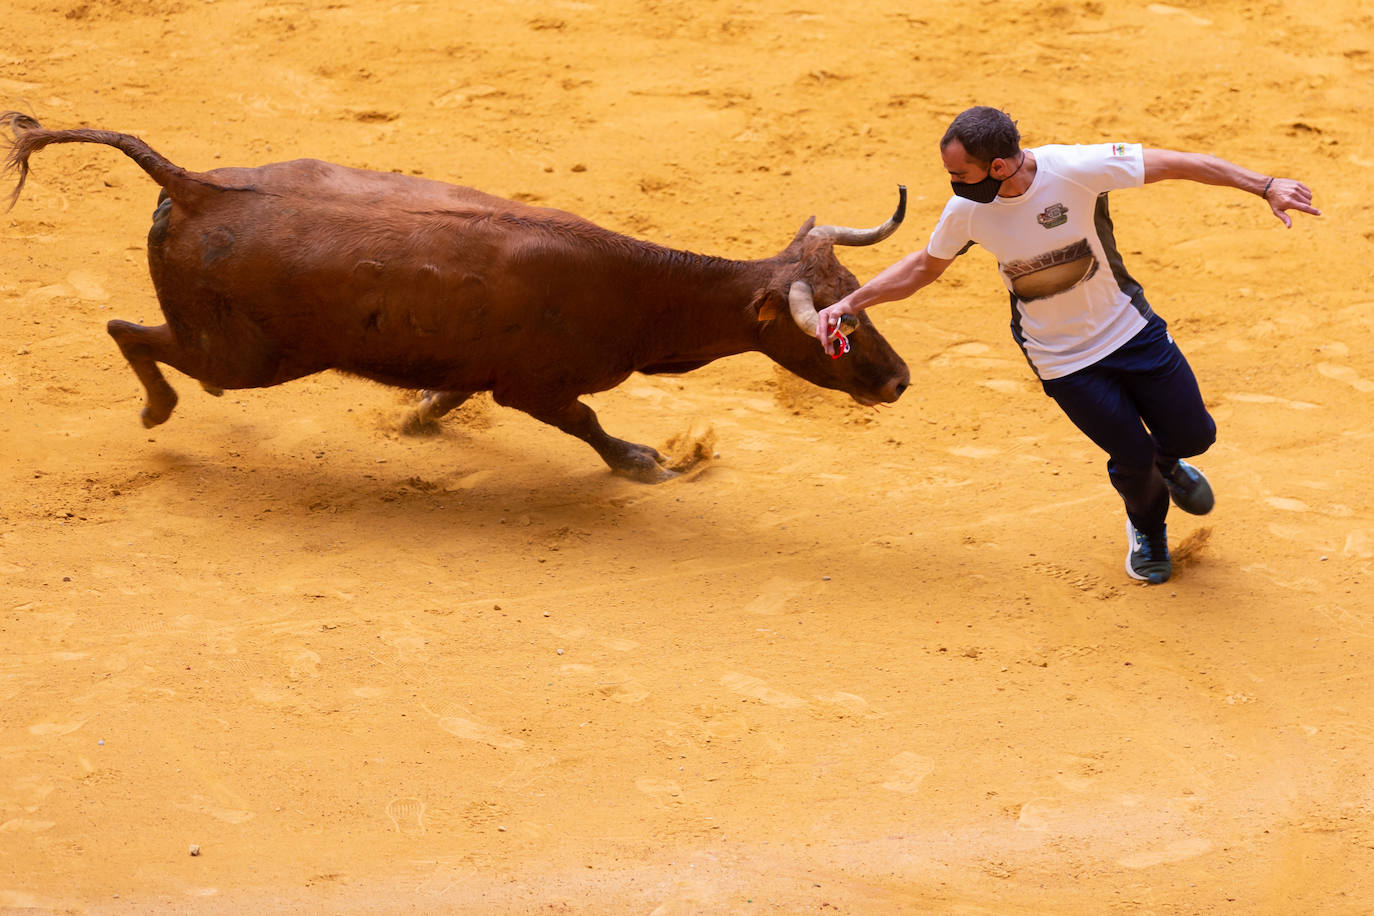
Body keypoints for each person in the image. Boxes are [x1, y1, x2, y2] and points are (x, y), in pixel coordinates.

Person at [816, 106, 1320, 584]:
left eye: (961, 174)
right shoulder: (966, 210)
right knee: (1133, 458)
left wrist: (1267, 186)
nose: (953, 185)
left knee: (1193, 436)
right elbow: (925, 266)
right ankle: (1147, 531)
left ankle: (1170, 463)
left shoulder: (1077, 168)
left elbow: (1179, 164)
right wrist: (850, 304)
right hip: (1063, 359)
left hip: (1131, 330)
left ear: (997, 165)